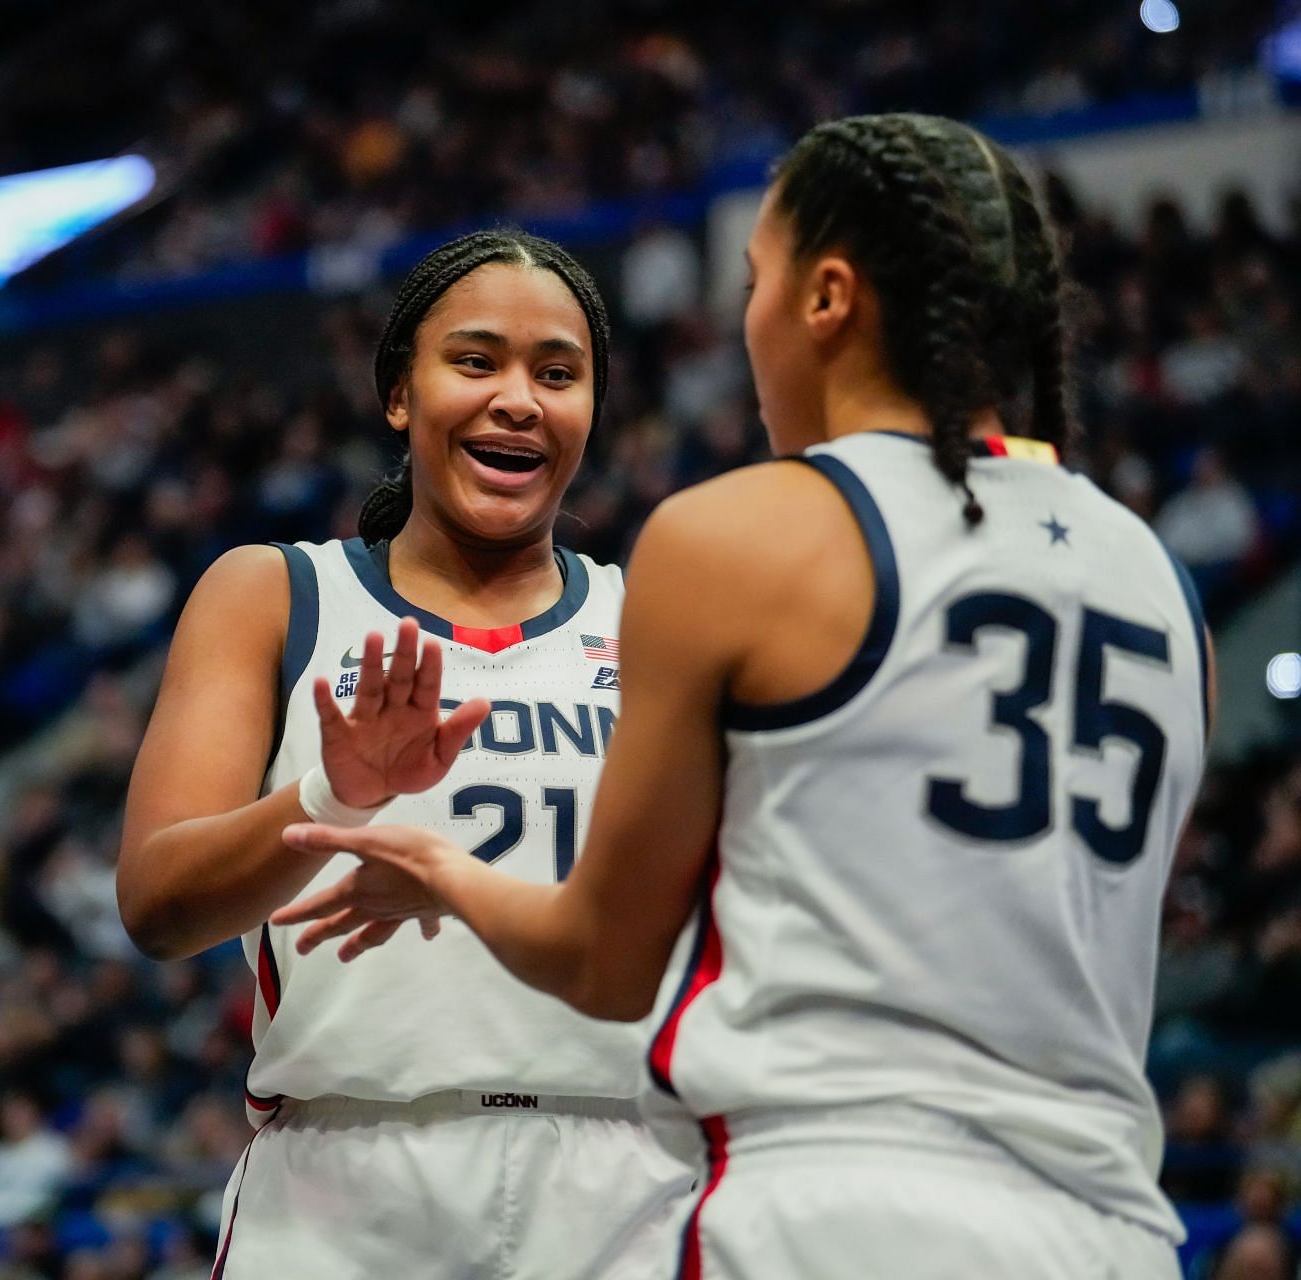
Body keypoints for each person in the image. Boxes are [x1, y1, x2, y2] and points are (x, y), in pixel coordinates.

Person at [278, 114, 1209, 1279]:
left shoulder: (743, 533)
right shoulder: (1160, 580)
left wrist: (441, 870)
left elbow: (608, 957)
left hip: (834, 1208)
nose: (747, 320)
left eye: (757, 282)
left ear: (826, 297)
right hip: (1114, 1227)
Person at [118, 229, 698, 1278]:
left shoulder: (660, 617)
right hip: (345, 1185)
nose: (518, 398)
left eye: (557, 373)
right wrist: (331, 794)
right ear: (400, 394)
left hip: (631, 1180)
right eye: (475, 361)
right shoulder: (275, 593)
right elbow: (159, 902)